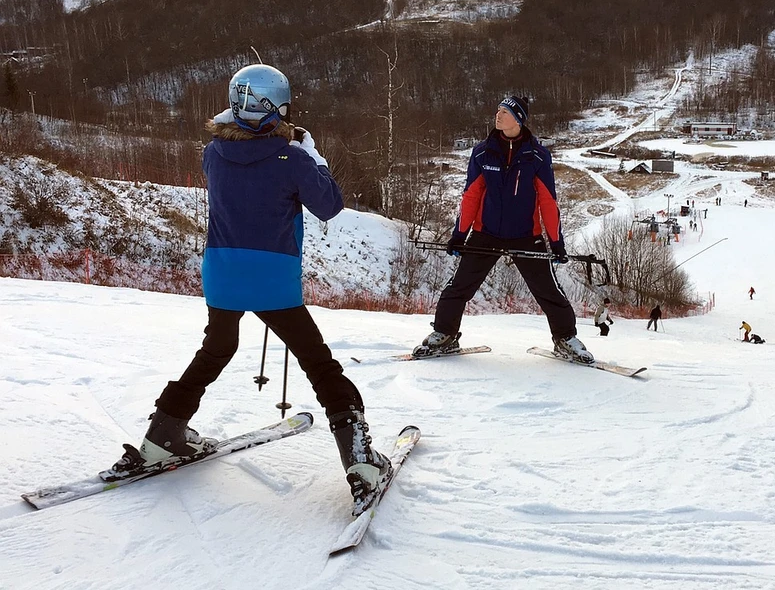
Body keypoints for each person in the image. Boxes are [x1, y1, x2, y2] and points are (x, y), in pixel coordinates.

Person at [102, 64, 391, 516]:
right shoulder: (292, 158)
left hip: (222, 273)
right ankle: (360, 461)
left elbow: (240, 160)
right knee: (318, 363)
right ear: (278, 106)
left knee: (215, 350)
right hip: (273, 279)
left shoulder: (213, 153)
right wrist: (312, 156)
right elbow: (330, 206)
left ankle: (163, 436)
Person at [413, 95, 593, 363]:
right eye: (498, 110)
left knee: (548, 290)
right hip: (486, 234)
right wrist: (459, 235)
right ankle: (444, 335)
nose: (498, 115)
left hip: (526, 236)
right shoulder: (483, 152)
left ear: (519, 119)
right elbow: (471, 195)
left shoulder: (538, 156)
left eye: (505, 112)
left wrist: (556, 242)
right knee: (458, 287)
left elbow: (547, 200)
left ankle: (565, 339)